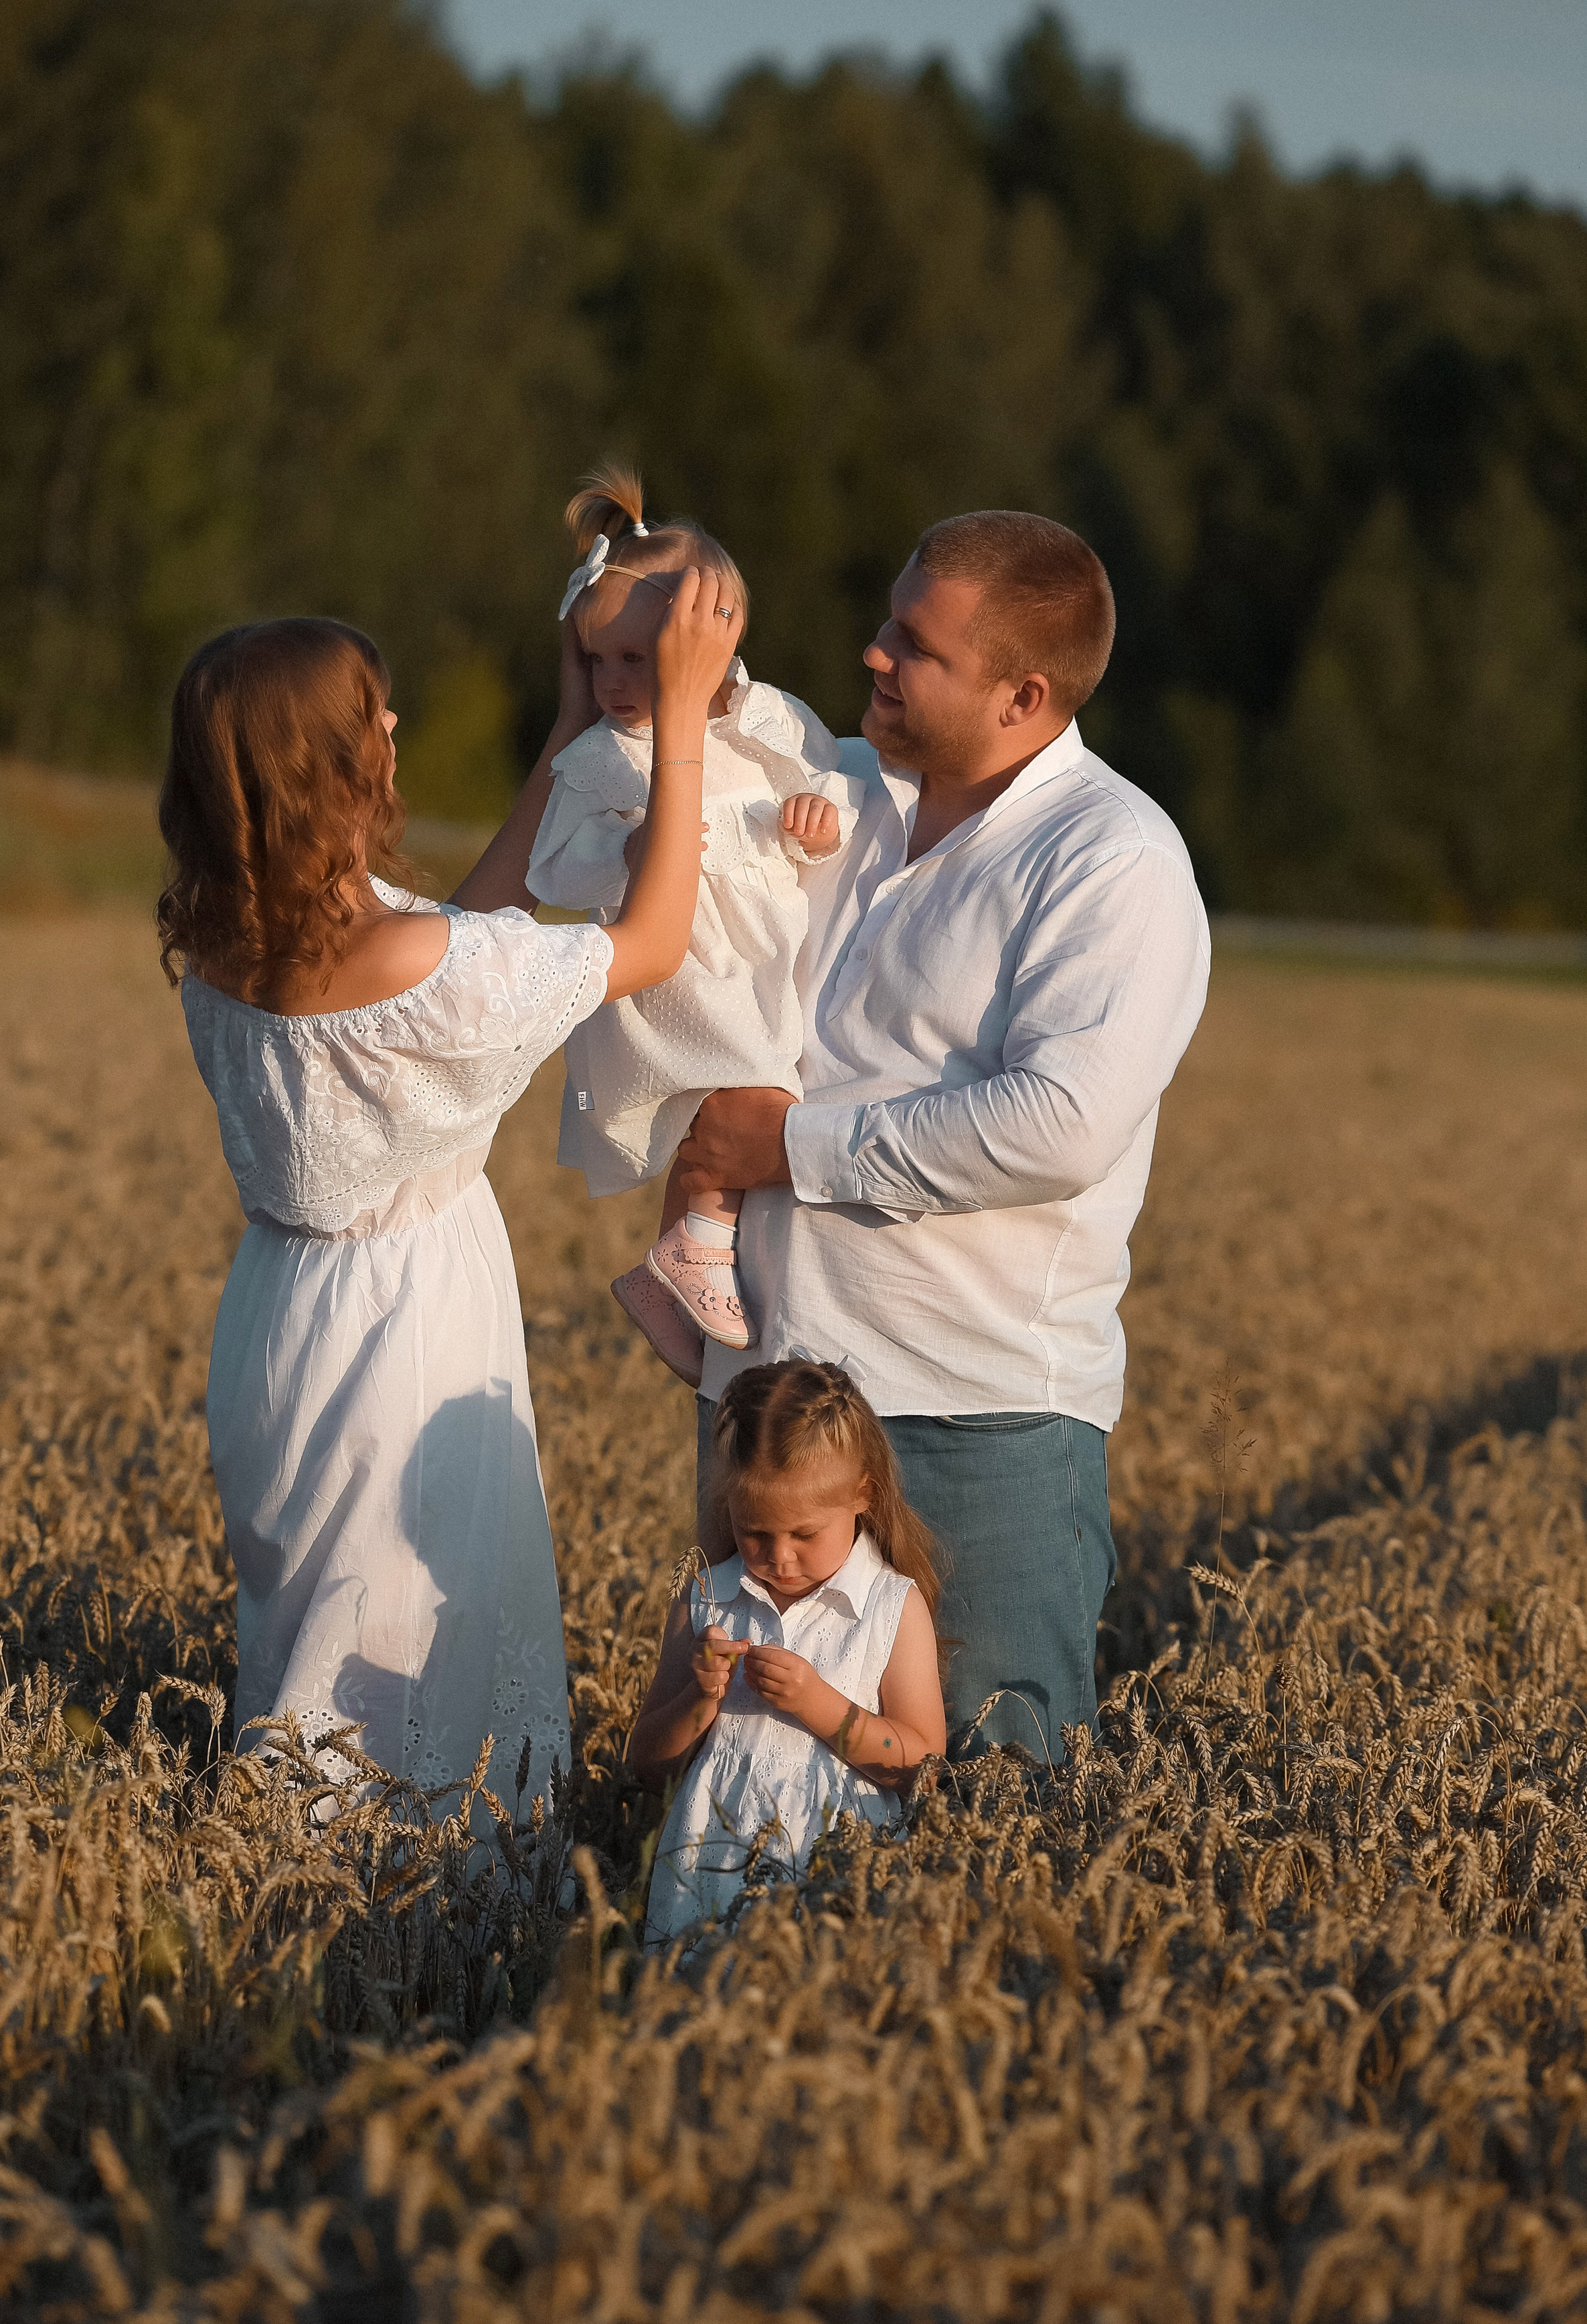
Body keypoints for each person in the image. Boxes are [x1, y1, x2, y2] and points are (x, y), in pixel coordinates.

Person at [159, 579, 738, 1813]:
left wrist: (565, 735)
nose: (397, 728)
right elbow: (651, 942)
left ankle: (299, 1867)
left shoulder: (233, 938)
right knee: (408, 1629)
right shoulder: (403, 961)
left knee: (314, 1615)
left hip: (279, 1314)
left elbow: (463, 936)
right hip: (402, 1326)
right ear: (332, 764)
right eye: (376, 715)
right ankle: (405, 1900)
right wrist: (679, 715)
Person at [677, 511, 1211, 1768]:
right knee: (755, 1788)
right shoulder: (843, 800)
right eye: (884, 624)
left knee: (992, 1800)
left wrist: (791, 1149)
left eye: (913, 648)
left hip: (971, 1418)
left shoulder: (1114, 857)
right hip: (773, 1404)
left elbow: (1062, 1124)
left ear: (1026, 696)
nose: (871, 657)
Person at [527, 465, 855, 1386]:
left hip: (760, 958)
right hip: (674, 965)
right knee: (749, 1092)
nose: (615, 681)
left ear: (716, 638)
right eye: (598, 659)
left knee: (752, 1089)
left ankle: (675, 1269)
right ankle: (693, 1250)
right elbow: (553, 864)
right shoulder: (604, 757)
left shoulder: (772, 722)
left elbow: (830, 793)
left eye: (637, 659)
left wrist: (818, 829)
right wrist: (625, 860)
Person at [631, 1360, 946, 1941]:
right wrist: (700, 1701)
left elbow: (920, 1765)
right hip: (706, 1875)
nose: (780, 1557)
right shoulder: (707, 1594)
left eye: (804, 1534)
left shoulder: (891, 1606)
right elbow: (646, 1763)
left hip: (839, 1876)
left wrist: (817, 1704)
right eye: (756, 1532)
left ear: (864, 1494)